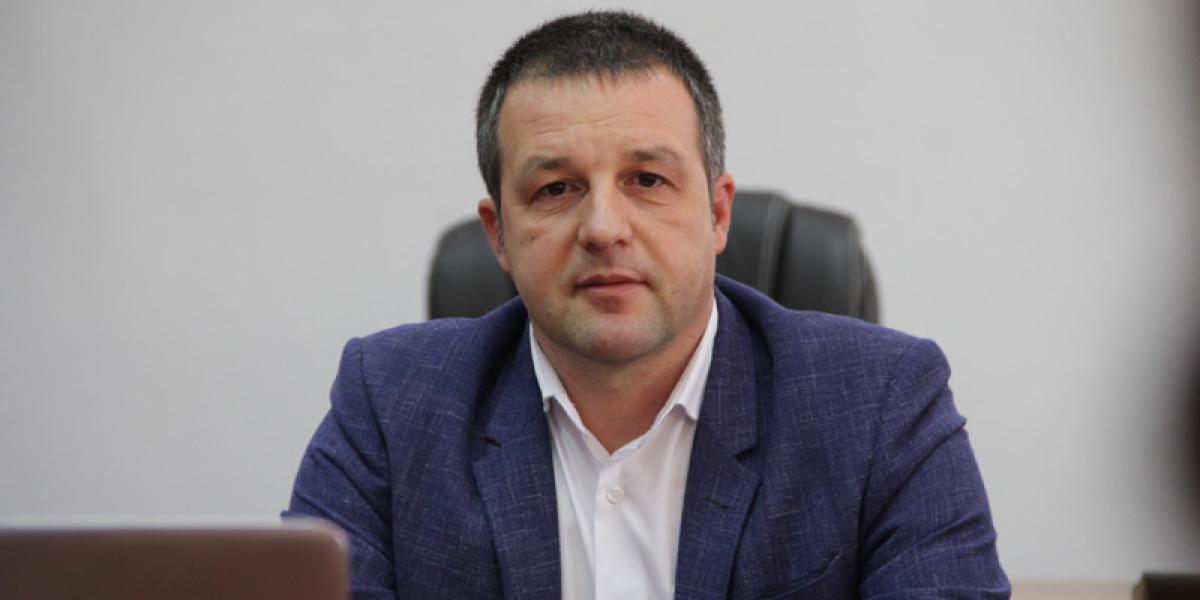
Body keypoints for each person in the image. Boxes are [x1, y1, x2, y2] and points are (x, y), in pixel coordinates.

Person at [286, 11, 1009, 599]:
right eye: (556, 189)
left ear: (717, 214)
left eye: (647, 180)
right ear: (498, 233)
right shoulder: (389, 405)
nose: (604, 228)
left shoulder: (881, 404)